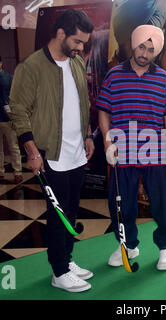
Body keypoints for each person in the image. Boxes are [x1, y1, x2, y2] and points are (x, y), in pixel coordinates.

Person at [9, 9, 95, 293]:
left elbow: (83, 103)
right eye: (78, 41)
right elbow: (18, 110)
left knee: (70, 211)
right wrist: (31, 150)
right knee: (57, 214)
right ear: (61, 34)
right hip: (51, 155)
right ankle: (59, 271)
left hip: (77, 153)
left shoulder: (77, 63)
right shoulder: (31, 66)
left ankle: (66, 260)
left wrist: (86, 135)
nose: (81, 47)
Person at [97, 24, 166, 271]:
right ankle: (128, 244)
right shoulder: (113, 75)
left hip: (155, 152)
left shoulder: (164, 78)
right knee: (122, 204)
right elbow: (104, 111)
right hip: (122, 153)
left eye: (151, 50)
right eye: (142, 47)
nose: (145, 53)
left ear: (156, 53)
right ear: (134, 45)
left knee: (164, 203)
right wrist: (107, 141)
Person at [0, 56, 23, 183]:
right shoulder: (10, 77)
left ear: (1, 63)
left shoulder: (9, 78)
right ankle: (2, 172)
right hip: (5, 117)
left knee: (13, 146)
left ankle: (17, 172)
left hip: (8, 118)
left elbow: (13, 99)